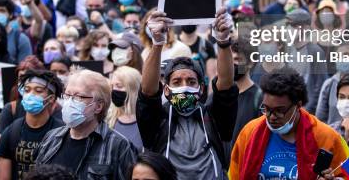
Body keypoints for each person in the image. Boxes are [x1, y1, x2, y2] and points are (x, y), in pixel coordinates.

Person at [137, 9, 237, 179]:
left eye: (191, 82)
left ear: (201, 88)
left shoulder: (212, 116)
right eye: (176, 82)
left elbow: (226, 86)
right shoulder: (157, 118)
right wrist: (157, 43)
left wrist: (223, 42)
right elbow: (147, 92)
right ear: (166, 89)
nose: (184, 87)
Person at [229, 66, 349, 180]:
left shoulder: (327, 138)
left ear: (298, 105)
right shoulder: (250, 132)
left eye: (279, 111)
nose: (271, 117)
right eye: (266, 109)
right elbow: (233, 175)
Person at [34, 69, 136, 179]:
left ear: (98, 106)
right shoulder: (51, 138)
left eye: (79, 97)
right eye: (67, 95)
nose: (69, 102)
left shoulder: (118, 145)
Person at [0, 69, 64, 180]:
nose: (30, 95)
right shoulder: (12, 131)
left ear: (51, 99)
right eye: (27, 90)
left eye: (38, 90)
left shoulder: (61, 133)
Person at [107, 66, 143, 150]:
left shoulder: (146, 120)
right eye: (112, 86)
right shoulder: (109, 118)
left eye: (119, 86)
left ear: (133, 88)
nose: (114, 90)